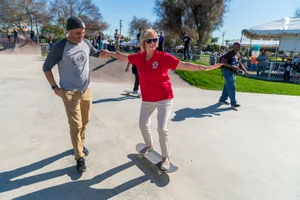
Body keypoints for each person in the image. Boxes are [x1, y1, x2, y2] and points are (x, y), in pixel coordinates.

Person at [101, 29, 221, 170]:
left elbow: (184, 65)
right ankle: (149, 145)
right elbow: (123, 57)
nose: (153, 43)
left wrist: (203, 67)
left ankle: (165, 158)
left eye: (155, 40)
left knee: (161, 128)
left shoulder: (163, 57)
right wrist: (108, 53)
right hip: (148, 98)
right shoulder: (139, 57)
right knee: (142, 124)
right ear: (143, 43)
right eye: (149, 40)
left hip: (164, 97)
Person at [43, 16, 106, 173]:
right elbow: (46, 68)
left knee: (85, 121)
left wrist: (108, 54)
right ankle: (79, 157)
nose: (81, 36)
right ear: (68, 31)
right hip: (69, 92)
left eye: (83, 32)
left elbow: (96, 53)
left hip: (87, 89)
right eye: (77, 33)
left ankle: (80, 144)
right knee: (76, 125)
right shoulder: (59, 47)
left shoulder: (86, 42)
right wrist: (54, 88)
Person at [218, 42, 249, 109]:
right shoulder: (229, 54)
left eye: (239, 47)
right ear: (233, 47)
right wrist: (233, 67)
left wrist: (245, 70)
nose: (238, 48)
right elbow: (223, 62)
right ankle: (233, 103)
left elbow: (239, 63)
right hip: (227, 71)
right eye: (237, 47)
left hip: (233, 72)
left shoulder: (238, 54)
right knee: (232, 87)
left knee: (227, 86)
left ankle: (222, 100)